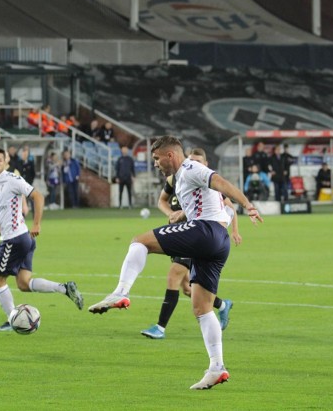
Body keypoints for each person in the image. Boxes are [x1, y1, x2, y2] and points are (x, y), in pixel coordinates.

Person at [88, 136, 262, 390]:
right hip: (218, 242)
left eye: (157, 158)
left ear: (170, 155)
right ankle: (216, 367)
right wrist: (182, 213)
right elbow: (209, 202)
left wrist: (248, 205)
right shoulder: (180, 179)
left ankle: (120, 293)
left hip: (205, 232)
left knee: (140, 242)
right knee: (202, 308)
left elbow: (221, 183)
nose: (156, 164)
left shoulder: (191, 167)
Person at [140, 148, 240, 340]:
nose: (193, 164)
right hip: (181, 233)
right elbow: (161, 201)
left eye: (198, 161)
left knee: (173, 277)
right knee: (187, 288)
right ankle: (222, 305)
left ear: (205, 164)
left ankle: (160, 327)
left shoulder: (206, 182)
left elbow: (229, 205)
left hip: (197, 236)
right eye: (191, 160)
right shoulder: (175, 178)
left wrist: (234, 230)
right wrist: (170, 213)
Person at [0, 147, 84, 331]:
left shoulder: (12, 179)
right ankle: (64, 288)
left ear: (5, 162)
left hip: (14, 239)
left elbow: (38, 196)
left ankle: (12, 320)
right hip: (23, 239)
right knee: (23, 284)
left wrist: (37, 224)